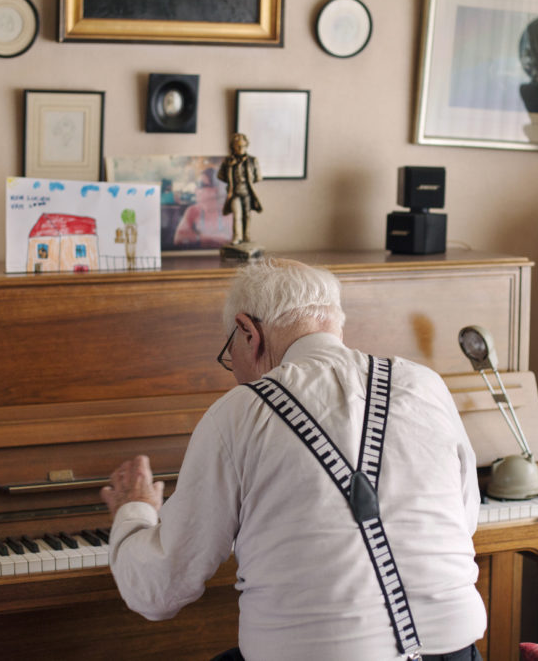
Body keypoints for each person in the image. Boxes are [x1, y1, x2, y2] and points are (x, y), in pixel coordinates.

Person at [101, 258, 487, 661]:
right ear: (335, 324)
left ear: (249, 332)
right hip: (457, 652)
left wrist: (135, 511)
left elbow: (159, 589)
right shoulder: (425, 385)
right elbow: (465, 520)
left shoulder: (237, 414)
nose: (236, 373)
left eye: (230, 354)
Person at [217, 132, 261, 245]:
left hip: (247, 192)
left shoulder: (252, 160)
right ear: (233, 147)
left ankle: (246, 236)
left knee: (247, 215)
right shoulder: (228, 161)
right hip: (234, 193)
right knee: (237, 215)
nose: (241, 148)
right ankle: (237, 237)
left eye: (243, 146)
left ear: (247, 146)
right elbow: (220, 175)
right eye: (238, 146)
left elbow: (258, 177)